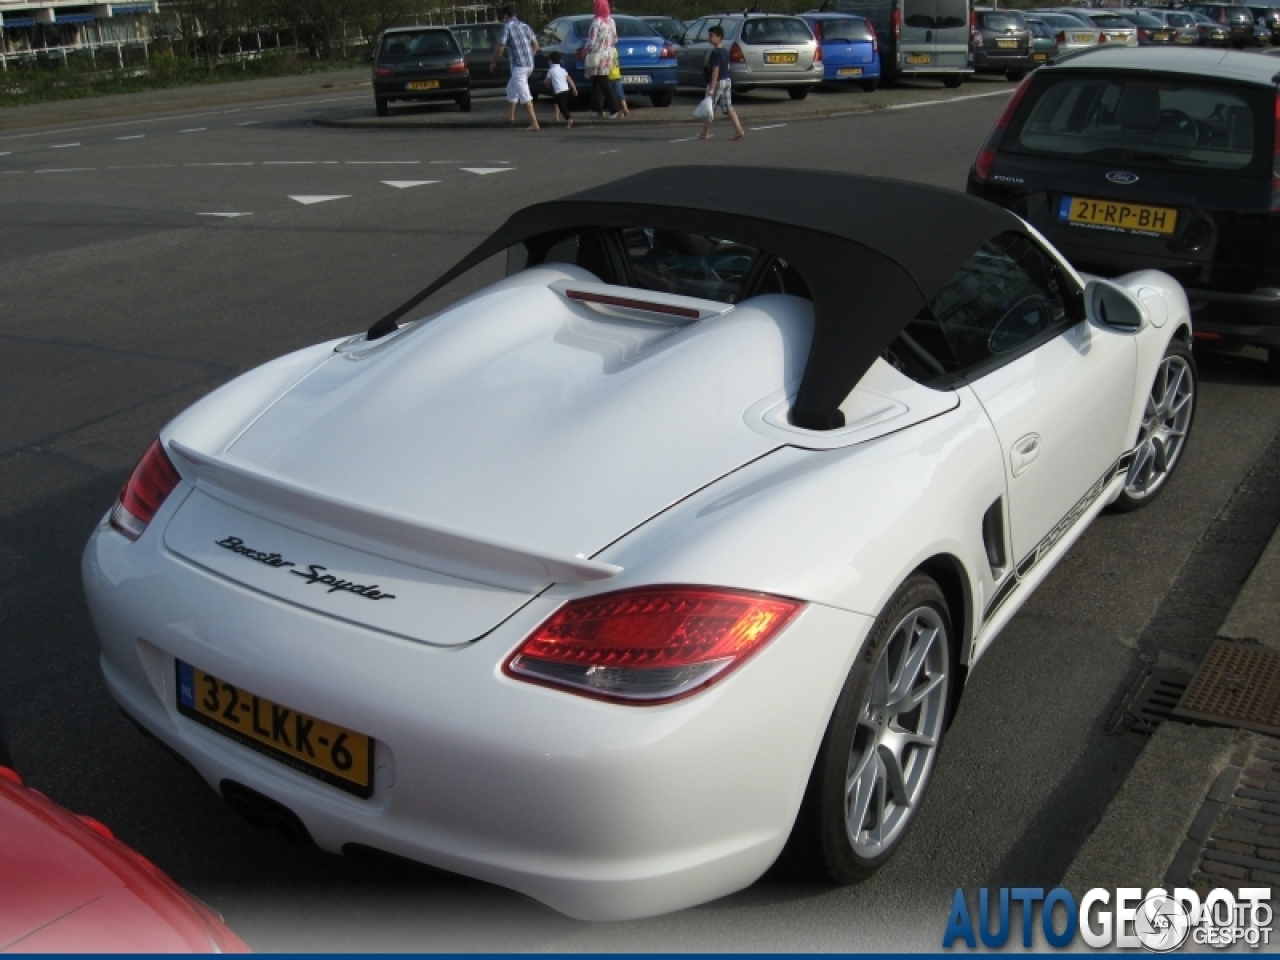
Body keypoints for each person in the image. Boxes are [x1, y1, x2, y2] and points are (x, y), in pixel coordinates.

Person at [491, 4, 540, 130]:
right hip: (529, 64)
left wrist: (494, 62)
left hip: (519, 66)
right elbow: (536, 45)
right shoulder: (525, 26)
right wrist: (530, 55)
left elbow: (500, 48)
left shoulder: (507, 27)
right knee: (511, 88)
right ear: (516, 15)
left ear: (505, 16)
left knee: (524, 94)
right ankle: (510, 114)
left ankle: (534, 122)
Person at [700, 24, 745, 140]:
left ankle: (705, 133)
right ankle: (739, 130)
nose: (709, 38)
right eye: (709, 36)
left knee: (710, 108)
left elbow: (716, 70)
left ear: (719, 37)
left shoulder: (715, 53)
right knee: (728, 107)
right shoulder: (724, 51)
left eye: (711, 36)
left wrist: (711, 88)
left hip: (718, 82)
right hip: (727, 80)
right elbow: (728, 66)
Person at [584, 0, 621, 118]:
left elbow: (592, 41)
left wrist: (584, 49)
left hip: (597, 55)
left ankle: (614, 109)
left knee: (602, 82)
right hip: (608, 55)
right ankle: (596, 109)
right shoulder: (611, 21)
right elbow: (615, 39)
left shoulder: (596, 22)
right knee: (597, 81)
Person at [546, 50, 578, 128]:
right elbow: (569, 80)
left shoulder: (550, 71)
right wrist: (574, 88)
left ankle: (569, 119)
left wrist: (546, 83)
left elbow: (546, 81)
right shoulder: (563, 70)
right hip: (566, 90)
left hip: (559, 91)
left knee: (562, 106)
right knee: (557, 102)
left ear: (550, 61)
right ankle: (556, 117)